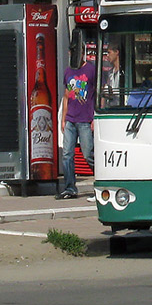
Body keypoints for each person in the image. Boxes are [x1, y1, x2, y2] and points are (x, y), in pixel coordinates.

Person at [56, 39, 98, 200]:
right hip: (71, 119)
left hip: (85, 119)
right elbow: (67, 96)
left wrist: (95, 117)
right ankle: (69, 188)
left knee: (88, 154)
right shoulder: (68, 72)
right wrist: (64, 118)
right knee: (67, 154)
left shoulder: (90, 70)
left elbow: (97, 94)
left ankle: (101, 182)